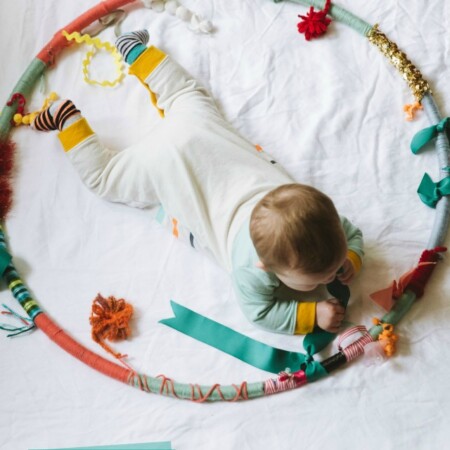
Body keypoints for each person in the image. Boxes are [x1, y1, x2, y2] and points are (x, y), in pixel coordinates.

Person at [32, 30, 364, 336]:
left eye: (334, 267)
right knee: (104, 178)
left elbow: (349, 234)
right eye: (321, 278)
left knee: (183, 93)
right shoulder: (252, 270)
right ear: (265, 267)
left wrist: (350, 255)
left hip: (199, 132)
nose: (334, 275)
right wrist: (312, 314)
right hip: (160, 166)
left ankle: (136, 52)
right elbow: (260, 313)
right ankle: (68, 120)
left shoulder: (318, 217)